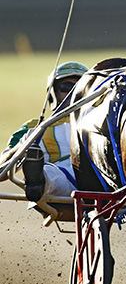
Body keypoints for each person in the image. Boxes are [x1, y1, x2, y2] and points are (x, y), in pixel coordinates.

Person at [0, 61, 88, 203]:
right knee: (50, 173)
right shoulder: (33, 127)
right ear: (53, 93)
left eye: (80, 88)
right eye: (67, 87)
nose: (73, 93)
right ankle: (37, 179)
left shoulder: (102, 123)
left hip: (102, 177)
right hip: (62, 181)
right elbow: (2, 171)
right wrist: (22, 146)